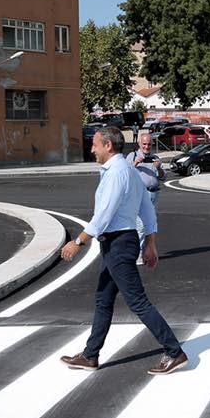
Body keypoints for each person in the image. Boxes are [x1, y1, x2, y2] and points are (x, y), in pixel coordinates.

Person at [59, 126, 188, 376]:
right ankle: (90, 355)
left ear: (108, 145)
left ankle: (174, 352)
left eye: (95, 144)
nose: (92, 149)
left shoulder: (117, 173)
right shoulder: (128, 170)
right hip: (118, 243)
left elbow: (104, 215)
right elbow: (147, 210)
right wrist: (150, 243)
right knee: (103, 299)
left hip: (118, 243)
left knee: (138, 301)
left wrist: (79, 242)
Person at [126, 132, 165, 264]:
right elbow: (124, 173)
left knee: (150, 226)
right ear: (139, 144)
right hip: (140, 195)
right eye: (144, 144)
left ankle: (146, 253)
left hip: (154, 194)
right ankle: (137, 254)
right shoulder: (132, 156)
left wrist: (159, 168)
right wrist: (135, 163)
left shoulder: (155, 158)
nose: (146, 147)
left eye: (149, 144)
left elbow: (163, 177)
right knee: (140, 225)